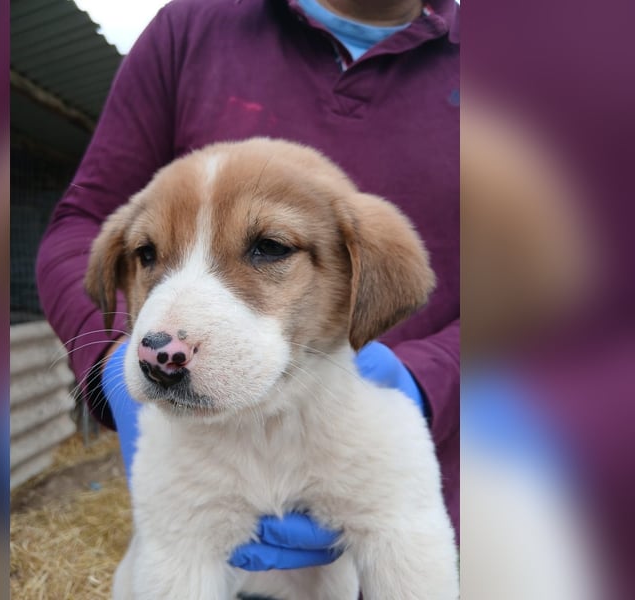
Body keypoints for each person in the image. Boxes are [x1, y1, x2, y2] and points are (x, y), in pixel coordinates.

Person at [37, 0, 459, 574]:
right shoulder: (194, 28)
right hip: (205, 463)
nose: (170, 338)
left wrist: (433, 374)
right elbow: (83, 221)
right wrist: (109, 350)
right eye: (149, 254)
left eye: (268, 248)